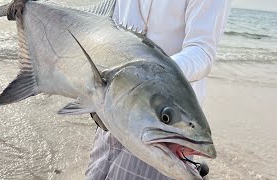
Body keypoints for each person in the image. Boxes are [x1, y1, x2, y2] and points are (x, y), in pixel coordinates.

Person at [86, 0, 231, 179]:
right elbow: (110, 31)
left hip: (163, 124)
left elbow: (202, 52)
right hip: (113, 107)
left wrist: (148, 78)